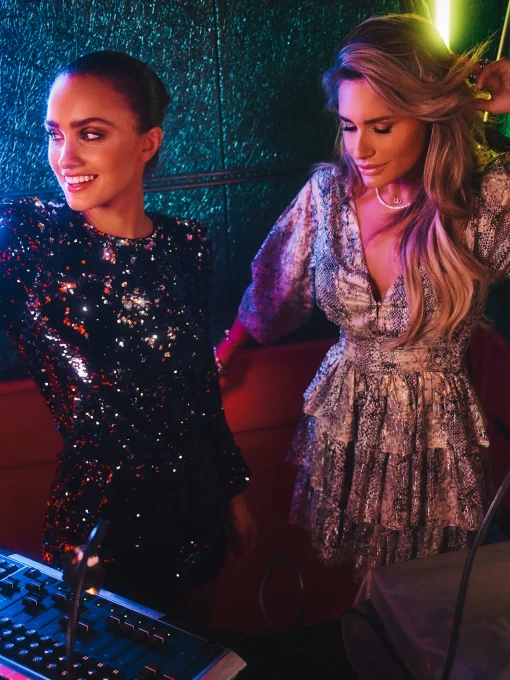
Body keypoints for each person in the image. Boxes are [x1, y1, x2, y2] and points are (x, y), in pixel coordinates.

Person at [216, 14, 510, 578]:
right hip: (347, 418)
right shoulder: (327, 196)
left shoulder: (481, 200)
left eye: (382, 126)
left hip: (432, 430)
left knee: (427, 591)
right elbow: (273, 285)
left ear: (428, 118)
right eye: (349, 126)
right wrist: (224, 354)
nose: (360, 149)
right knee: (362, 587)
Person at [0, 51, 256, 613]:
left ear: (147, 143)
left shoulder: (187, 245)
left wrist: (232, 490)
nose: (65, 156)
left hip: (197, 510)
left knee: (195, 646)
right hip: (96, 526)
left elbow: (199, 386)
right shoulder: (28, 237)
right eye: (55, 134)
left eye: (90, 134)